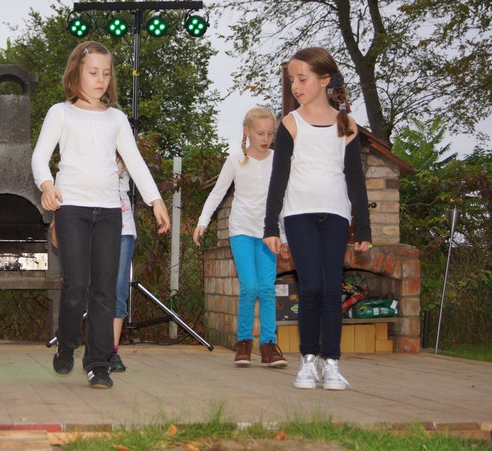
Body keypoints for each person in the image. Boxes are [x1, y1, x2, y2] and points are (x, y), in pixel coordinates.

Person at [32, 41, 170, 389]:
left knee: (105, 291)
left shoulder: (116, 119)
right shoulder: (60, 113)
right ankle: (66, 344)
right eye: (93, 72)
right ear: (76, 72)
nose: (100, 79)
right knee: (77, 286)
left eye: (106, 74)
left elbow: (134, 161)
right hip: (72, 209)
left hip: (110, 212)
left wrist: (155, 200)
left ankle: (97, 363)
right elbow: (39, 157)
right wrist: (47, 185)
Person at [262, 47, 372, 391]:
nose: (295, 86)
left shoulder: (346, 125)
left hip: (336, 216)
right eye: (292, 80)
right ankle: (308, 360)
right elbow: (278, 178)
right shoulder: (290, 124)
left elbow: (355, 177)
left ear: (325, 80)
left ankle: (332, 362)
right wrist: (270, 226)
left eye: (302, 79)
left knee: (330, 288)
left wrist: (363, 226)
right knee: (310, 287)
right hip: (299, 215)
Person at [193, 106, 288, 369]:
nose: (266, 138)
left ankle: (269, 345)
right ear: (247, 131)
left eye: (270, 133)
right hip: (242, 231)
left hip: (269, 234)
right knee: (249, 287)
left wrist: (284, 235)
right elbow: (217, 193)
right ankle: (244, 342)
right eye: (260, 133)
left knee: (267, 288)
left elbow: (285, 199)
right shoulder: (235, 160)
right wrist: (202, 222)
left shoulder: (279, 160)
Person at [108, 157, 135, 373]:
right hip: (94, 226)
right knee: (96, 289)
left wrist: (156, 201)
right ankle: (96, 348)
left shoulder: (125, 151)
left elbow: (142, 174)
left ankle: (112, 351)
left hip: (124, 229)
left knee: (119, 289)